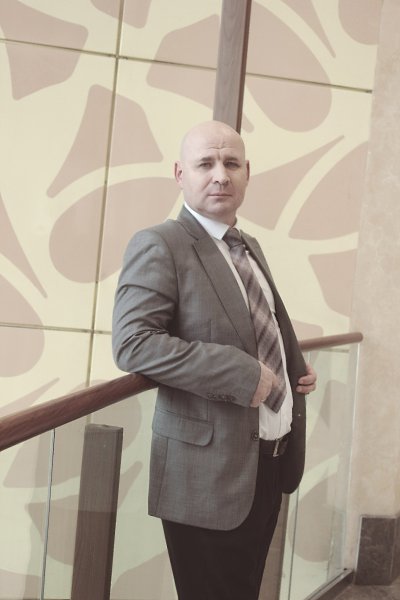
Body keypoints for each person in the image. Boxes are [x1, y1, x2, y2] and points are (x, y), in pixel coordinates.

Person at [112, 120, 317, 600]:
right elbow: (134, 343)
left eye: (231, 163)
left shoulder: (246, 245)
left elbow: (258, 321)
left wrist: (291, 368)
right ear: (180, 174)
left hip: (269, 463)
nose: (220, 175)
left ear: (248, 173)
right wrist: (242, 373)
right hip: (206, 476)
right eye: (206, 163)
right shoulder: (160, 243)